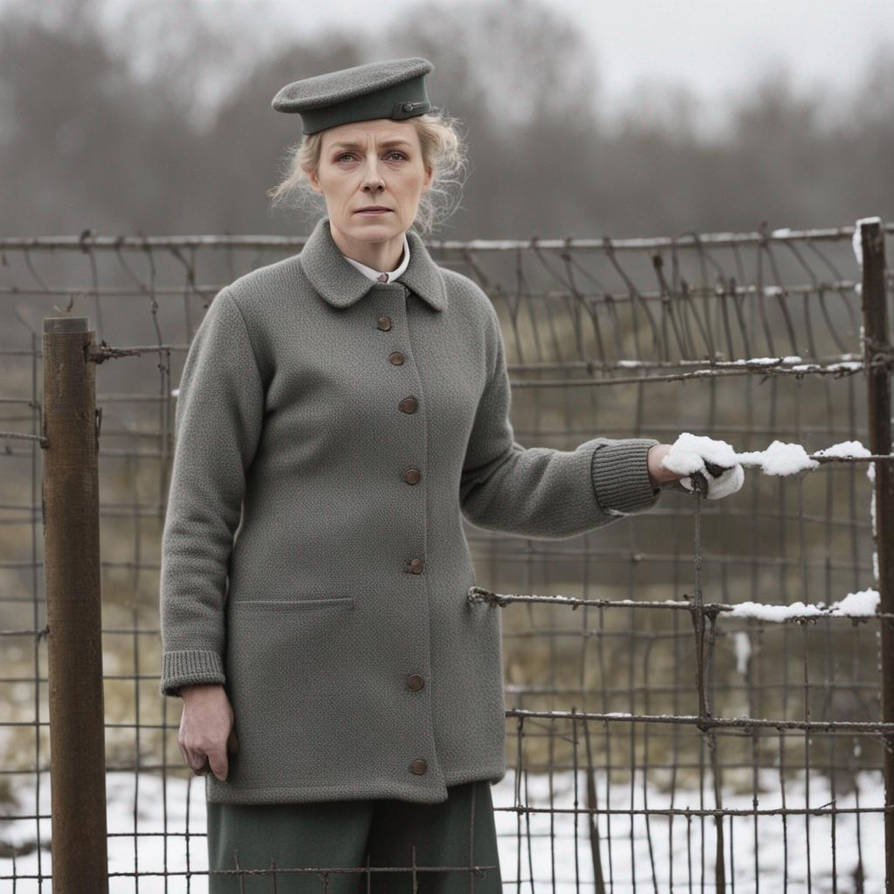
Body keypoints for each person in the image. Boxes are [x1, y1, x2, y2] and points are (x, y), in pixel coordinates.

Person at [158, 56, 743, 893]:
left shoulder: (465, 312)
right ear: (312, 176)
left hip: (438, 726)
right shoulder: (252, 314)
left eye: (394, 155)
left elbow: (496, 479)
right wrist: (197, 680)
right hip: (291, 720)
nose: (372, 177)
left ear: (427, 173)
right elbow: (198, 516)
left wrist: (640, 468)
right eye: (347, 157)